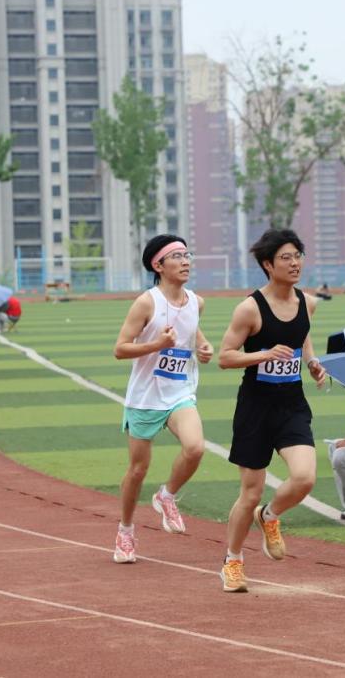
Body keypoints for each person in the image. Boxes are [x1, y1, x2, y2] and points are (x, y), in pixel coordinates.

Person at [217, 228, 327, 593]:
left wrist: (312, 362)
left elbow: (302, 335)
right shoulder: (250, 308)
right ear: (268, 264)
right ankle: (233, 561)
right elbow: (225, 357)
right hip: (256, 408)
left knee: (305, 477)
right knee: (250, 492)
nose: (295, 263)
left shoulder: (307, 303)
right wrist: (263, 354)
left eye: (298, 256)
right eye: (286, 258)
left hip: (292, 404)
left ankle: (270, 516)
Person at [111, 234, 214, 564]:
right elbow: (120, 349)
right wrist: (156, 345)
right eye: (177, 256)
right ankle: (125, 531)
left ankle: (166, 495)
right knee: (138, 470)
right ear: (158, 265)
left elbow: (192, 332)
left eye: (187, 255)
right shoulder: (147, 303)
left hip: (179, 392)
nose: (185, 261)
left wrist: (204, 347)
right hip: (145, 397)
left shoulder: (196, 302)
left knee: (195, 447)